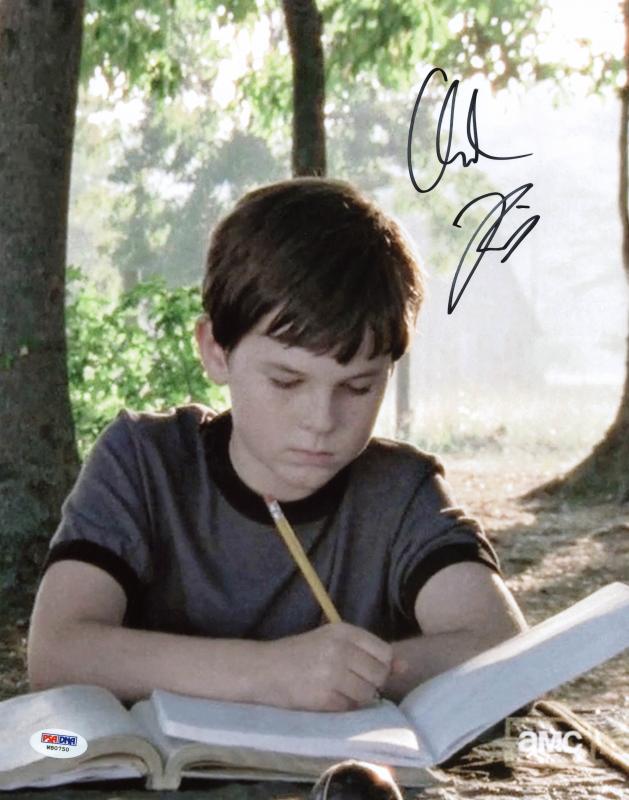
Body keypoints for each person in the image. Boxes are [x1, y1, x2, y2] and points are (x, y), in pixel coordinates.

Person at [27, 177, 527, 713]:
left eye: (358, 387)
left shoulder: (399, 493)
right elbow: (57, 653)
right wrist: (271, 673)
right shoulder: (144, 463)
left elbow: (504, 650)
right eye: (287, 382)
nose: (321, 421)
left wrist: (342, 673)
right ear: (216, 350)